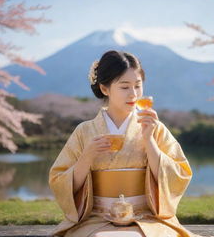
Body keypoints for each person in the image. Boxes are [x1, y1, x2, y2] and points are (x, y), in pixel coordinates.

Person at [49, 50, 201, 237]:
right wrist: (86, 156)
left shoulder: (155, 128)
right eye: (124, 87)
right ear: (105, 89)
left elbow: (179, 175)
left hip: (146, 217)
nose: (134, 94)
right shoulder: (84, 131)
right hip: (97, 217)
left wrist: (149, 140)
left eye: (138, 86)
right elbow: (59, 181)